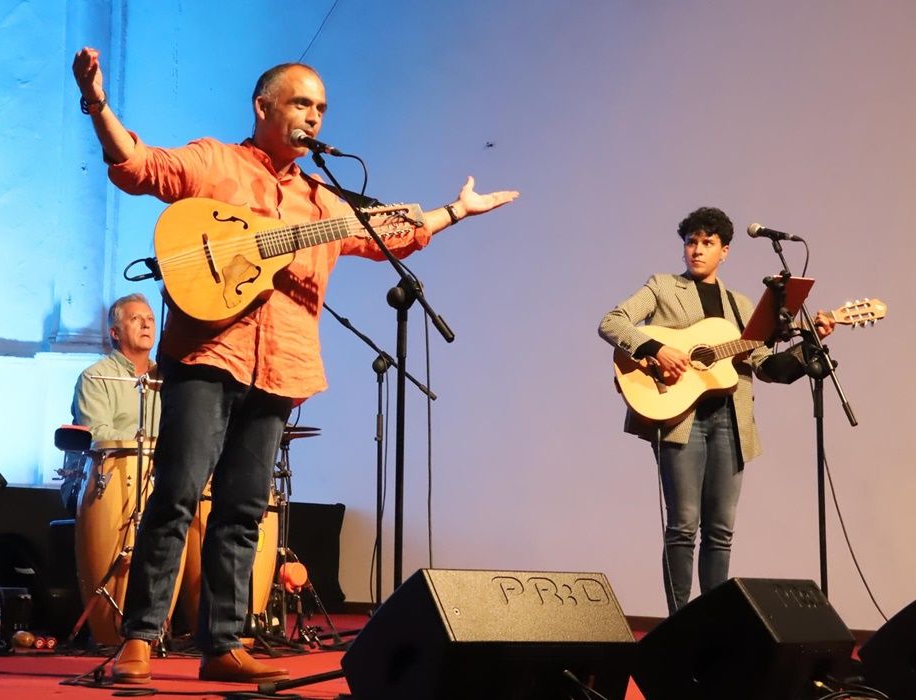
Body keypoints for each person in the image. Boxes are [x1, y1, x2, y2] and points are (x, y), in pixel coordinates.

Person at [72, 46, 519, 683]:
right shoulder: (215, 162)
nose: (314, 116)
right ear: (264, 108)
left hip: (282, 366)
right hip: (208, 353)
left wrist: (453, 212)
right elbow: (138, 166)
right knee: (174, 495)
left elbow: (387, 231)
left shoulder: (320, 200)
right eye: (302, 103)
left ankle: (223, 644)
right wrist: (98, 103)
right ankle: (139, 638)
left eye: (321, 108)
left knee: (243, 508)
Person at [598, 206, 835, 614]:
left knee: (721, 531)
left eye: (708, 243)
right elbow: (613, 322)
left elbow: (769, 368)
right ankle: (678, 623)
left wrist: (809, 345)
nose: (697, 250)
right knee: (683, 526)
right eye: (691, 241)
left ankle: (712, 623)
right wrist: (658, 348)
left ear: (725, 251)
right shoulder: (663, 287)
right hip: (680, 419)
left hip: (731, 421)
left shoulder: (741, 306)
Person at [60, 293, 161, 512]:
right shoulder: (94, 377)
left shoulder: (165, 379)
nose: (146, 324)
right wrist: (153, 445)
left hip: (155, 482)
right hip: (101, 481)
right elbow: (96, 433)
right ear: (115, 333)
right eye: (136, 319)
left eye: (151, 319)